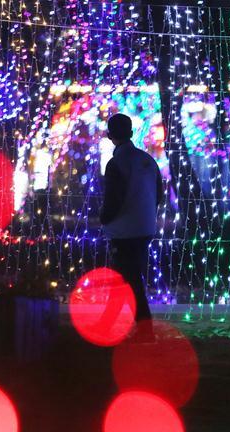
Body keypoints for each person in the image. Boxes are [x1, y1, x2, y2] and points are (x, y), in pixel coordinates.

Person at [100, 113, 164, 325]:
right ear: (131, 133)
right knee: (126, 276)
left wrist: (104, 219)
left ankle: (144, 325)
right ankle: (108, 321)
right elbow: (160, 195)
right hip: (145, 227)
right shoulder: (147, 160)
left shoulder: (116, 163)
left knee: (130, 278)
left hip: (124, 230)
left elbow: (113, 200)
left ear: (110, 135)